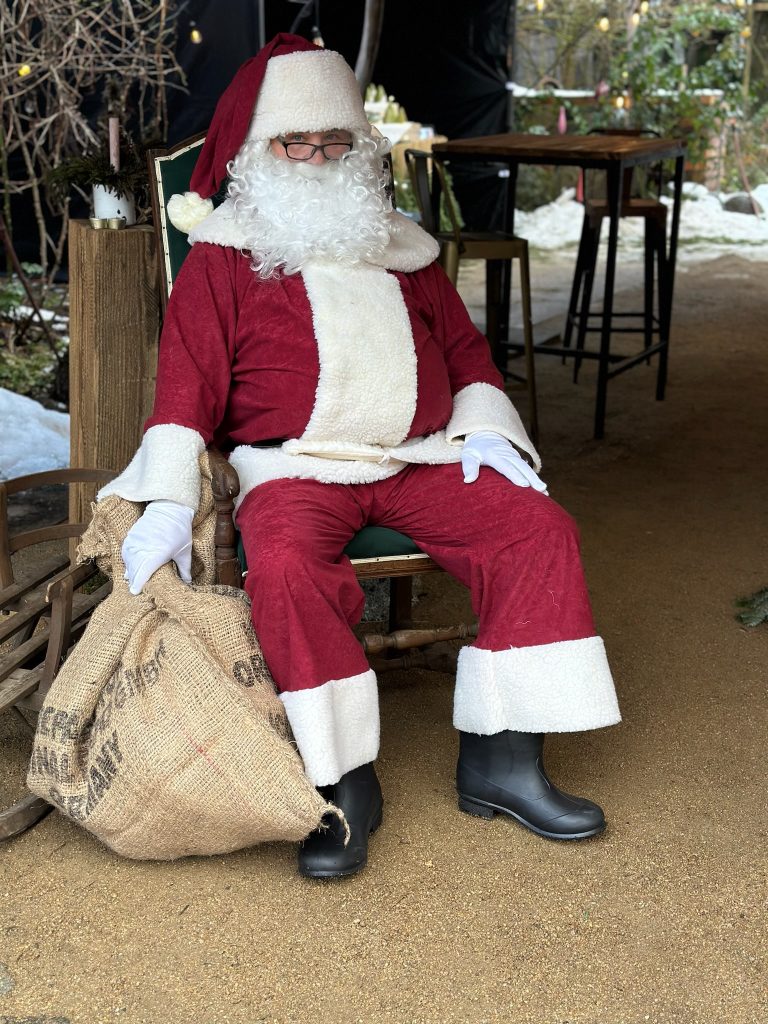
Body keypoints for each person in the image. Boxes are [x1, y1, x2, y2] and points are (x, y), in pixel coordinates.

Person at [100, 33, 621, 879]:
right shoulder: (224, 259)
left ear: (357, 148)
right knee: (288, 568)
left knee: (537, 530)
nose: (314, 159)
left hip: (417, 457)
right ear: (262, 151)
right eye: (294, 143)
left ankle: (502, 760)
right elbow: (185, 388)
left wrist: (485, 428)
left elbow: (466, 355)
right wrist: (166, 500)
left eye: (332, 142)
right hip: (293, 468)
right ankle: (342, 776)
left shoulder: (404, 248)